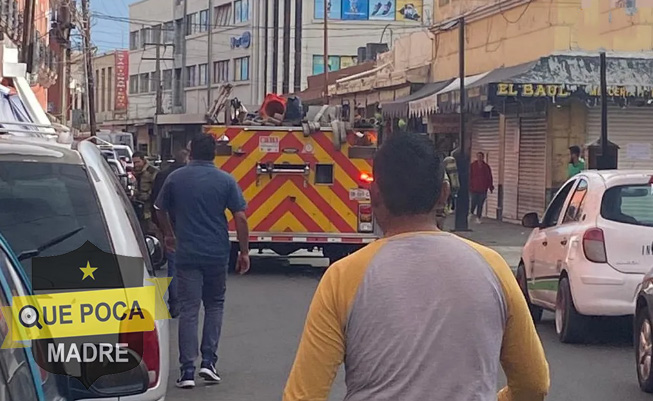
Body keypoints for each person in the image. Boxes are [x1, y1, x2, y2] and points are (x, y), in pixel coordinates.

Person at [283, 133, 549, 401]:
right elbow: (534, 385)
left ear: (374, 193)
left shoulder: (342, 278)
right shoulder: (493, 268)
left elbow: (302, 396)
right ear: (443, 194)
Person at [154, 134, 250, 389]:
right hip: (217, 252)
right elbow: (240, 217)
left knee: (188, 310)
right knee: (215, 305)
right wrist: (244, 251)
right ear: (214, 154)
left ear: (191, 151)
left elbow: (158, 208)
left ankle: (187, 371)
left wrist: (168, 235)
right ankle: (209, 362)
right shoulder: (226, 180)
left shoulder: (176, 178)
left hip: (186, 252)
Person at [151, 148, 190, 319]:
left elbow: (155, 202)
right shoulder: (188, 176)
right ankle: (184, 299)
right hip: (186, 225)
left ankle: (174, 304)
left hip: (168, 225)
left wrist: (160, 226)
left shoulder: (163, 175)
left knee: (173, 266)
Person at [132, 151, 159, 235]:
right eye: (134, 162)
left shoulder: (152, 172)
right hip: (138, 207)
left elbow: (156, 189)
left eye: (138, 162)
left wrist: (147, 196)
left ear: (143, 160)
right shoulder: (136, 173)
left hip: (149, 208)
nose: (136, 165)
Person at [470, 151, 494, 224]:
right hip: (474, 188)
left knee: (480, 203)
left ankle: (478, 217)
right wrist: (469, 186)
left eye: (481, 156)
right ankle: (470, 214)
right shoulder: (472, 166)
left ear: (483, 157)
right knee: (473, 202)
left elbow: (489, 177)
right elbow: (469, 176)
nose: (480, 158)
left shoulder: (486, 167)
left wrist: (490, 187)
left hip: (483, 188)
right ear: (477, 157)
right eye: (478, 156)